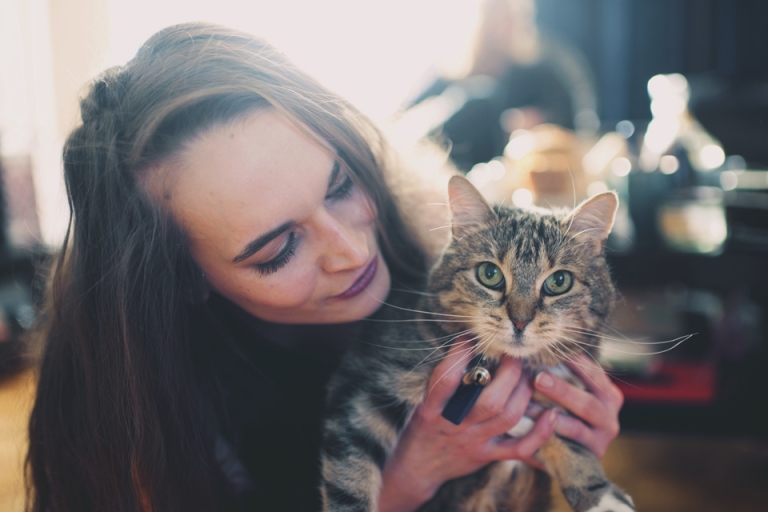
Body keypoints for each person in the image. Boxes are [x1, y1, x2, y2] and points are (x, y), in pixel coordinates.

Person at [25, 22, 623, 512]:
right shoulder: (132, 419)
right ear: (181, 280)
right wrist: (404, 479)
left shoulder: (438, 256)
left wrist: (552, 446)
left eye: (341, 185)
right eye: (277, 250)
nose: (353, 252)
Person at [403, 0, 598, 172]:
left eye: (508, 18)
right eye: (493, 17)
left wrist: (540, 121)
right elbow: (405, 118)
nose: (500, 27)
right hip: (455, 172)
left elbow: (574, 124)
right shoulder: (449, 72)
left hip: (519, 174)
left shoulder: (541, 71)